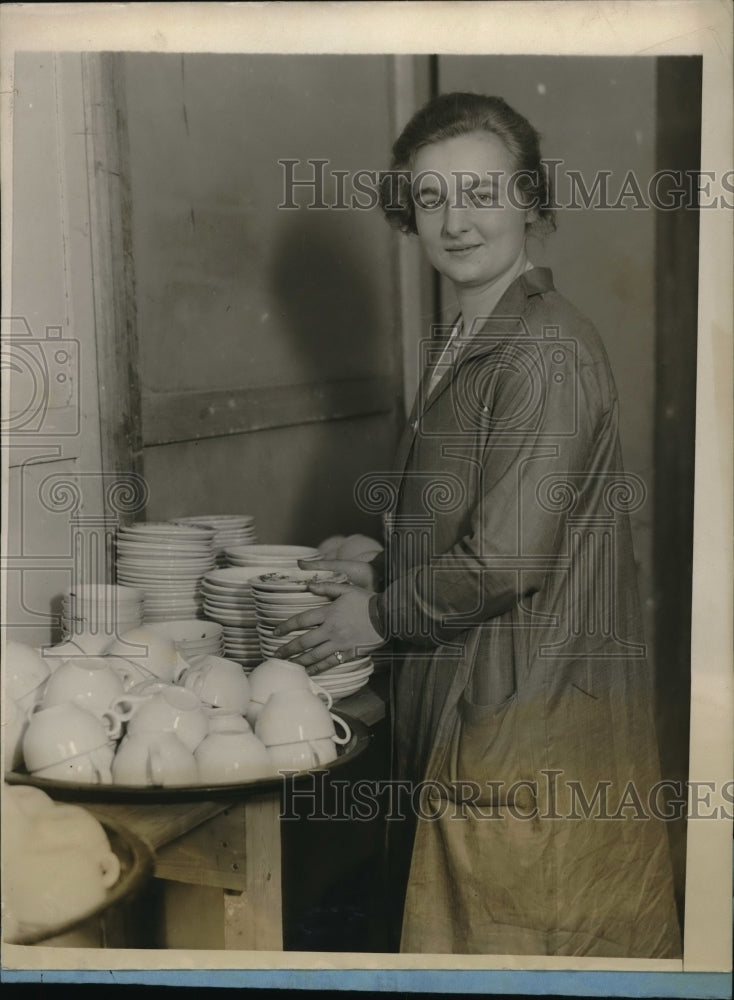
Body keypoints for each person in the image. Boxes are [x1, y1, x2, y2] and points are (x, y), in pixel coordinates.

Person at [274, 92, 681, 957]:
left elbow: (505, 560)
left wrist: (375, 616)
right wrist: (381, 569)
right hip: (470, 681)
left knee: (520, 936)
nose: (456, 222)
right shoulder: (468, 337)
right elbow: (480, 520)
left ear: (530, 200)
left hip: (523, 701)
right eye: (430, 200)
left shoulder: (545, 351)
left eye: (481, 193)